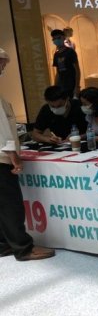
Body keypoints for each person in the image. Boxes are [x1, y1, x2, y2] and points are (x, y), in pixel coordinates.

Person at [0, 48, 55, 261]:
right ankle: (23, 249)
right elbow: (2, 130)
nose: (3, 68)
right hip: (2, 159)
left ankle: (4, 244)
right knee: (11, 205)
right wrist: (14, 157)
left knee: (2, 206)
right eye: (2, 64)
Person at [51, 28, 81, 99]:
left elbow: (77, 70)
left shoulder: (70, 52)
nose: (56, 40)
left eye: (59, 38)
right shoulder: (56, 55)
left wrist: (77, 86)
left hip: (71, 85)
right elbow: (58, 72)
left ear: (63, 37)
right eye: (54, 39)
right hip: (61, 86)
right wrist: (55, 86)